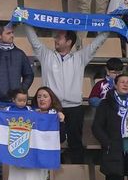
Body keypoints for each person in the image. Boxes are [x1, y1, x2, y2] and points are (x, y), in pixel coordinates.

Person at [19, 19, 111, 162]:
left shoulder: (80, 57)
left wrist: (109, 27)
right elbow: (33, 40)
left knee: (75, 143)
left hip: (74, 108)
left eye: (59, 37)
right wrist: (26, 20)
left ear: (68, 42)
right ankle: (50, 173)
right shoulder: (46, 55)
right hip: (52, 107)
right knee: (49, 141)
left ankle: (77, 178)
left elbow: (96, 44)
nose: (55, 39)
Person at [5, 87, 61, 180]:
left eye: (45, 96)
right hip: (21, 158)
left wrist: (58, 118)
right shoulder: (28, 113)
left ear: (51, 99)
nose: (42, 99)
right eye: (39, 96)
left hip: (39, 160)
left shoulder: (56, 116)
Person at [93, 70, 128, 180]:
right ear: (115, 85)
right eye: (122, 82)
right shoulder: (106, 104)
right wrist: (108, 144)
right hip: (114, 151)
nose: (126, 85)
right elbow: (97, 127)